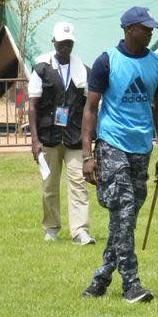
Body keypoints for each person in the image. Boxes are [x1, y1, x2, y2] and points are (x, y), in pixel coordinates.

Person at [80, 6, 158, 303]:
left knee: (124, 219)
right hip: (112, 144)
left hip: (142, 148)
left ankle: (101, 278)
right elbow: (90, 109)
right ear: (130, 29)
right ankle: (131, 284)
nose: (151, 33)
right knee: (125, 208)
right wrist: (87, 155)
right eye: (146, 29)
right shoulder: (107, 61)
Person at [29, 21, 94, 246]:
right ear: (53, 42)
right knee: (49, 185)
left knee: (78, 182)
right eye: (61, 43)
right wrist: (34, 140)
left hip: (75, 137)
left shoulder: (84, 71)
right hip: (48, 137)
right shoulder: (41, 68)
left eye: (69, 43)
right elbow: (32, 106)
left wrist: (90, 143)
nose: (65, 47)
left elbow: (90, 108)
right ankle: (52, 228)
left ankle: (80, 231)